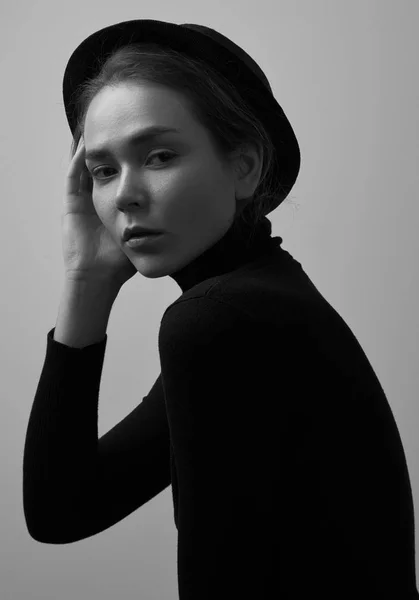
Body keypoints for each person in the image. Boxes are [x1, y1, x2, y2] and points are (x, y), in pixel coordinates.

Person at [22, 19, 419, 599]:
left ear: (245, 166)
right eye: (104, 171)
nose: (125, 194)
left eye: (158, 155)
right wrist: (86, 280)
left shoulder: (223, 318)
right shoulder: (256, 303)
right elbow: (62, 511)